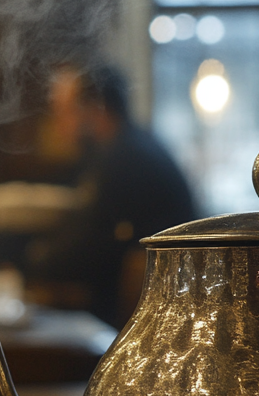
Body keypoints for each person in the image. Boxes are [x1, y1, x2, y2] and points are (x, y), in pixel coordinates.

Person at [25, 63, 197, 326]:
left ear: (98, 107)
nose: (59, 123)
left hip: (156, 318)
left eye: (66, 111)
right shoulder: (124, 147)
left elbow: (87, 249)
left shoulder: (126, 159)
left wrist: (32, 261)